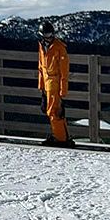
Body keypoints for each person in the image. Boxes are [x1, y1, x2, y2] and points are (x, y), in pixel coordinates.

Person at [37, 20, 74, 148]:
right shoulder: (42, 46)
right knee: (52, 111)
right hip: (47, 82)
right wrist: (41, 86)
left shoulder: (59, 47)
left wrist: (63, 90)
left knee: (54, 111)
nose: (49, 37)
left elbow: (64, 71)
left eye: (51, 34)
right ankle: (61, 136)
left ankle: (60, 138)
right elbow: (41, 67)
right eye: (46, 35)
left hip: (55, 82)